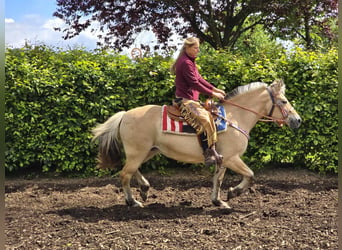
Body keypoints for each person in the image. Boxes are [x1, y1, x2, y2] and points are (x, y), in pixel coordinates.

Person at [171, 37, 226, 166]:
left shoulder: (190, 61)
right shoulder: (185, 63)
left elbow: (199, 78)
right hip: (184, 101)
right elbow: (194, 83)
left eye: (198, 48)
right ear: (187, 48)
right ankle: (207, 153)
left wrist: (214, 88)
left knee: (211, 116)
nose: (198, 50)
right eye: (195, 48)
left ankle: (212, 149)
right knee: (205, 120)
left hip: (192, 100)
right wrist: (213, 94)